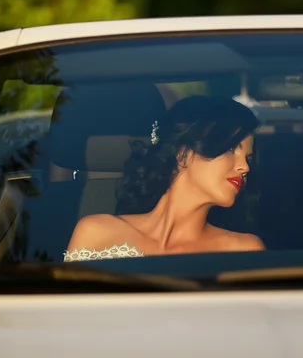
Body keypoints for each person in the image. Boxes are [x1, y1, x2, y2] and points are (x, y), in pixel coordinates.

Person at [63, 96, 265, 261]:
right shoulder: (96, 233)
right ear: (183, 152)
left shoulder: (245, 250)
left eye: (248, 158)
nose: (244, 167)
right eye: (231, 150)